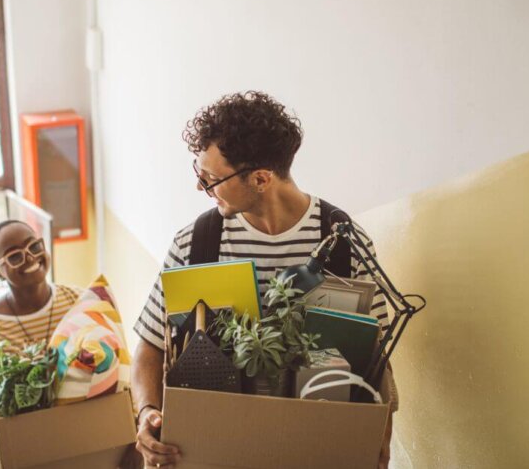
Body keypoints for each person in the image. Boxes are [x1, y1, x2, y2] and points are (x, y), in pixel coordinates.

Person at [132, 91, 397, 469]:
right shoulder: (196, 242)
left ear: (260, 178)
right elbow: (149, 345)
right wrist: (146, 413)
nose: (200, 188)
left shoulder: (343, 244)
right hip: (216, 451)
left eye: (210, 179)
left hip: (316, 452)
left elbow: (377, 359)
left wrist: (378, 440)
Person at [0, 220, 81, 469]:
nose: (30, 257)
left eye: (34, 246)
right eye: (14, 256)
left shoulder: (78, 301)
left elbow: (118, 370)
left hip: (83, 448)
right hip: (19, 459)